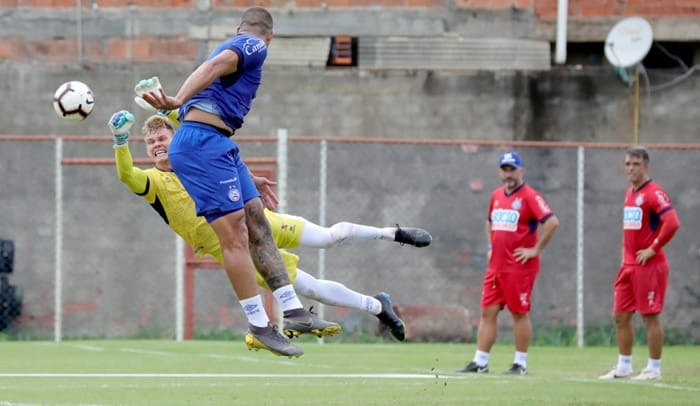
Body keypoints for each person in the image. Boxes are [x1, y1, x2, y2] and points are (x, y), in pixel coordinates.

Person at [109, 110, 433, 341]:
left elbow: (206, 140)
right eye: (149, 142)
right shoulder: (152, 181)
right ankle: (378, 307)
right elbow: (126, 175)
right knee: (310, 288)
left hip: (257, 224)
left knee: (329, 237)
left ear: (175, 138)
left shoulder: (195, 158)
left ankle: (393, 233)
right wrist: (121, 140)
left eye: (161, 137)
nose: (156, 144)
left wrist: (250, 179)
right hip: (235, 250)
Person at [136, 7, 335, 358]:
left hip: (219, 143)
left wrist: (246, 174)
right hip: (201, 142)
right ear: (269, 35)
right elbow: (215, 66)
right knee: (235, 236)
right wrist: (178, 99)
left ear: (237, 26)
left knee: (257, 221)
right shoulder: (253, 45)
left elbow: (213, 72)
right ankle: (259, 324)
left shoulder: (237, 46)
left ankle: (293, 310)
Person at [458, 151, 559, 375]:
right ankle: (480, 361)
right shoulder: (496, 195)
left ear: (521, 171)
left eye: (512, 169)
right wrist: (490, 247)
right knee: (488, 312)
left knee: (519, 313)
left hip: (519, 267)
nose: (508, 174)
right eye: (504, 170)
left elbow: (551, 222)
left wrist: (535, 250)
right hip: (496, 266)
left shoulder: (530, 196)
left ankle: (520, 363)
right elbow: (489, 222)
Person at [599, 146, 680, 381]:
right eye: (627, 164)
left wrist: (653, 248)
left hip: (649, 266)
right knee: (620, 316)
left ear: (646, 166)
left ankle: (654, 368)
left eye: (635, 164)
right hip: (629, 266)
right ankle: (624, 366)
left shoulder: (654, 193)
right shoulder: (630, 193)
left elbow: (672, 222)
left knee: (649, 316)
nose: (631, 169)